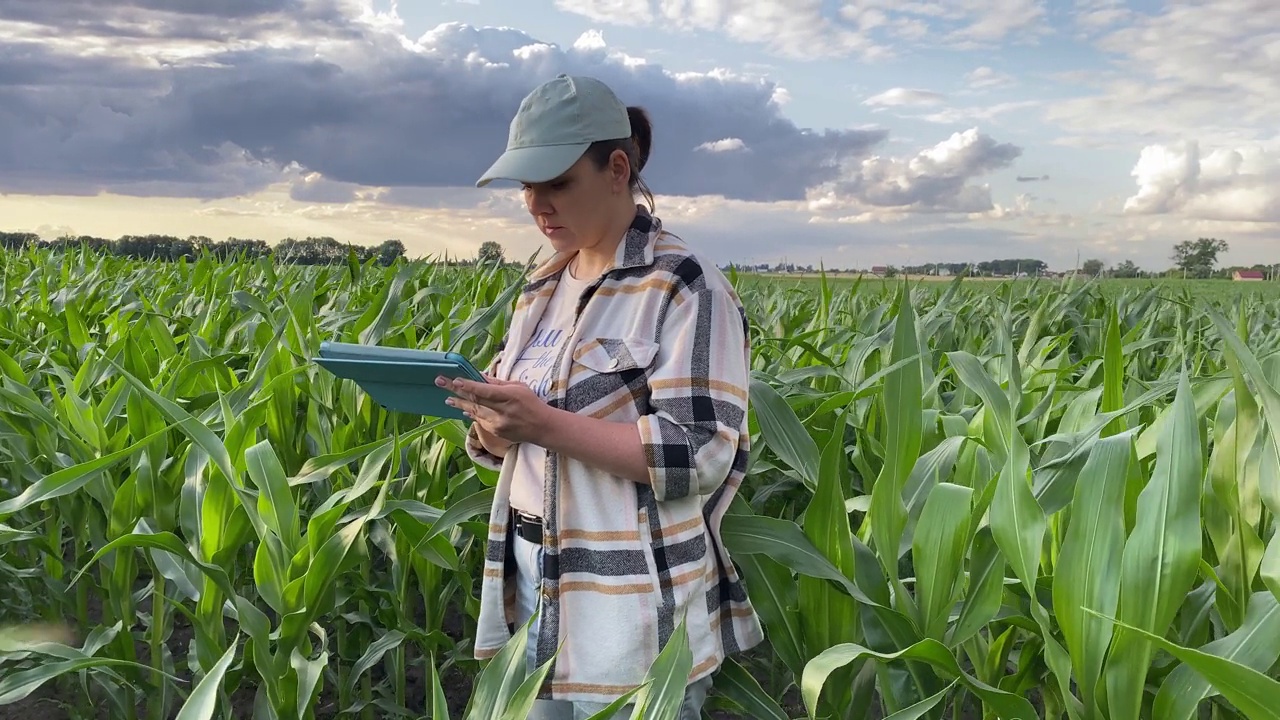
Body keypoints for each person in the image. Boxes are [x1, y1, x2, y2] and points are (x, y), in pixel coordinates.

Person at [436, 74, 763, 720]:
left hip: (631, 607)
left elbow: (698, 453)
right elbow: (518, 435)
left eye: (556, 183)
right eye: (526, 186)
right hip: (533, 580)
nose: (536, 204)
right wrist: (495, 430)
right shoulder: (543, 285)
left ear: (617, 168)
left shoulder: (682, 286)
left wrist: (546, 424)